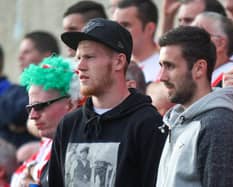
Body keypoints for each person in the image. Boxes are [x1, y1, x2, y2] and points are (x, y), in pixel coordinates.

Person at [48, 18, 166, 187]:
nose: (79, 66)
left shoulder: (147, 124)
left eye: (89, 57)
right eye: (78, 57)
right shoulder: (68, 125)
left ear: (118, 61)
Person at [156, 26, 233, 187]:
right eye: (161, 66)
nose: (161, 77)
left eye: (169, 66)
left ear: (199, 68)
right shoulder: (176, 121)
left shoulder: (219, 126)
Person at [10, 55, 80, 187]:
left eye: (39, 106)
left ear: (71, 105)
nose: (32, 116)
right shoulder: (48, 143)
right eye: (30, 108)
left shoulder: (83, 148)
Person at [112, 0, 161, 83]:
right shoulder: (113, 65)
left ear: (149, 28)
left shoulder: (163, 68)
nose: (118, 31)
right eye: (115, 25)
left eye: (125, 25)